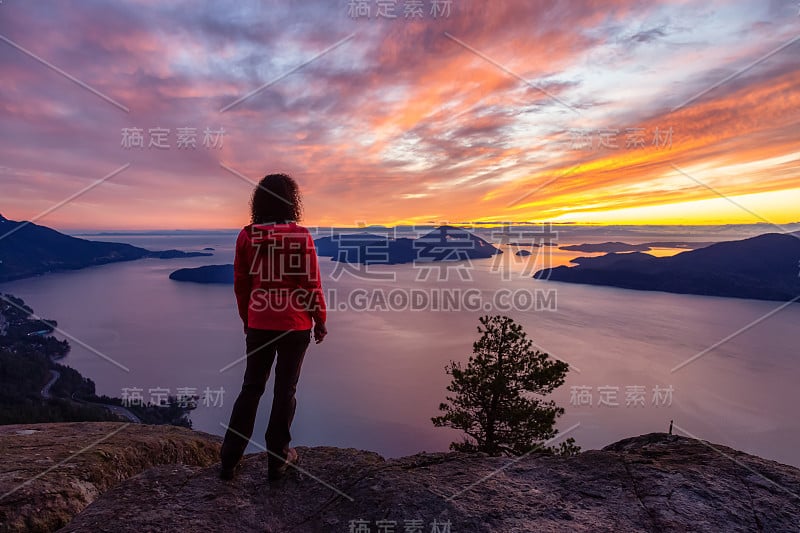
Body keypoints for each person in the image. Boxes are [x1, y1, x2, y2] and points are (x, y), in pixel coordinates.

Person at [219, 173, 327, 481]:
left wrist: (247, 320)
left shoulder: (246, 236)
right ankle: (278, 458)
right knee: (285, 389)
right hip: (294, 324)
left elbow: (242, 285)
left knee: (251, 387)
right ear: (292, 202)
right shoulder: (301, 237)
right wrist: (320, 320)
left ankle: (229, 458)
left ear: (259, 202)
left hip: (259, 322)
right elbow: (311, 285)